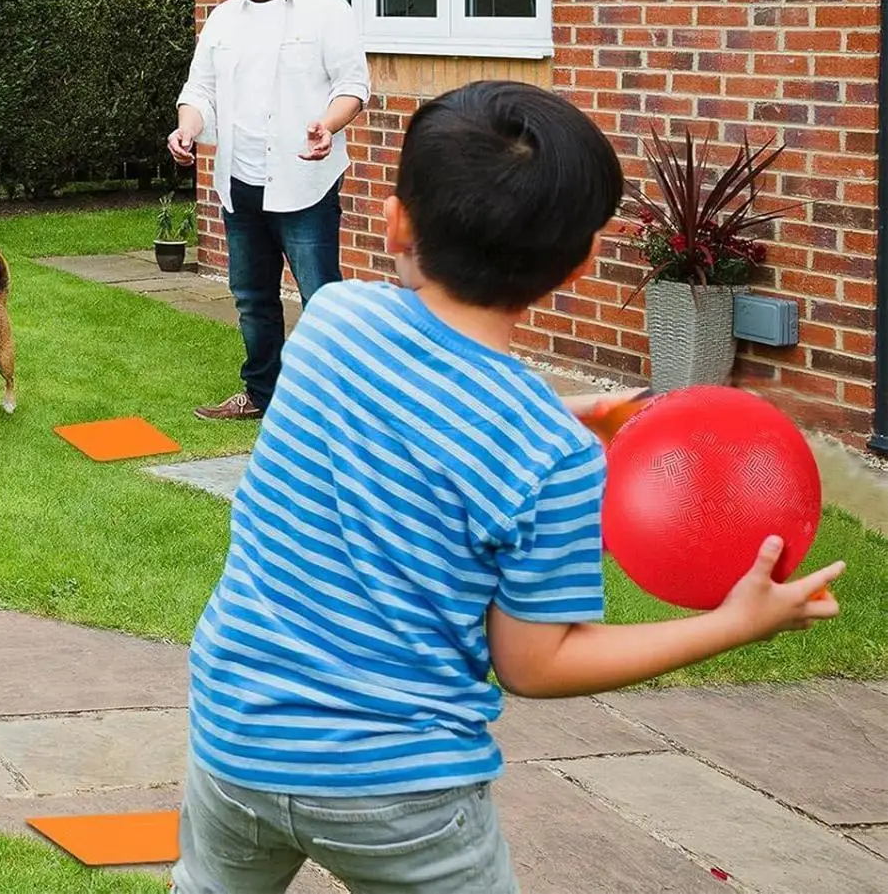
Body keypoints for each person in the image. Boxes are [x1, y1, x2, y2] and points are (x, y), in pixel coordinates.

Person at [174, 81, 845, 894]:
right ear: (578, 264)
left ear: (394, 222)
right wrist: (731, 623)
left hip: (234, 738)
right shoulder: (546, 454)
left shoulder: (333, 322)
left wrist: (560, 416)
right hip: (399, 788)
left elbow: (409, 411)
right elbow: (535, 661)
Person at [169, 0, 369, 420]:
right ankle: (261, 394)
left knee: (321, 298)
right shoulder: (224, 20)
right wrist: (187, 130)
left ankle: (337, 406)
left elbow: (353, 86)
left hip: (305, 182)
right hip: (239, 183)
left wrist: (328, 125)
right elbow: (200, 92)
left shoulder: (328, 10)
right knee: (253, 299)